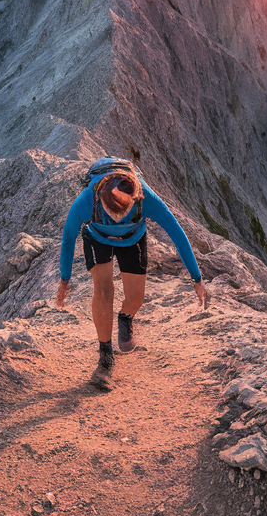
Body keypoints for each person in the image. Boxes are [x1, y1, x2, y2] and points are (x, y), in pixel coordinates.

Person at [55, 157, 207, 389]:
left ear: (135, 199)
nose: (116, 218)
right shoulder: (87, 198)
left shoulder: (146, 197)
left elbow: (177, 234)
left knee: (136, 298)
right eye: (111, 212)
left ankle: (125, 318)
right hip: (97, 239)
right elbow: (68, 238)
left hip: (132, 239)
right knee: (104, 291)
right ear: (99, 200)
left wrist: (196, 279)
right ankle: (105, 359)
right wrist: (64, 280)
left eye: (122, 212)